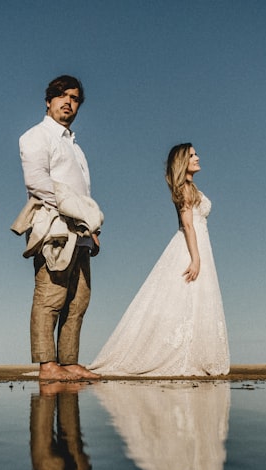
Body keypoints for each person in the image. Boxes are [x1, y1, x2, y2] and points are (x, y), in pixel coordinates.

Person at [89, 143, 229, 376]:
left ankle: (196, 352)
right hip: (191, 245)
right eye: (192, 155)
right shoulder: (183, 188)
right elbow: (188, 225)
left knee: (197, 299)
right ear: (183, 161)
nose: (197, 157)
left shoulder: (192, 188)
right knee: (184, 296)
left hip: (201, 243)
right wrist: (195, 259)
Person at [18, 74, 101, 382]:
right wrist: (77, 211)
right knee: (51, 295)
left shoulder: (76, 148)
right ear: (49, 101)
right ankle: (46, 364)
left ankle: (68, 362)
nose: (68, 102)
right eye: (62, 96)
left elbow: (84, 193)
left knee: (78, 298)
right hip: (52, 225)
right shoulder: (35, 136)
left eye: (75, 98)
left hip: (80, 230)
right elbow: (37, 183)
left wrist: (92, 227)